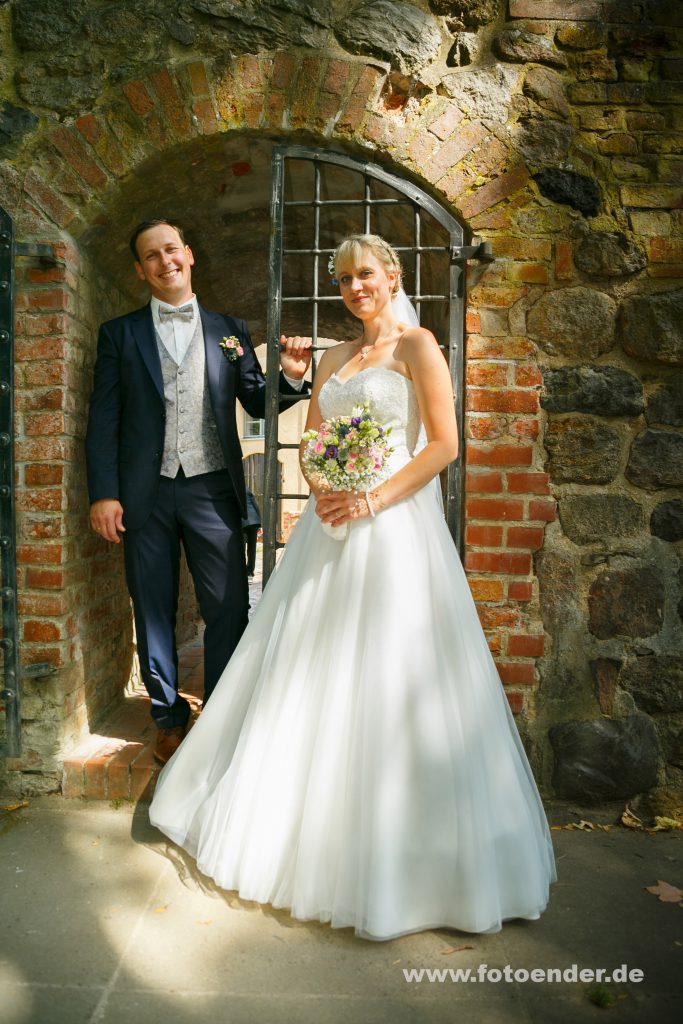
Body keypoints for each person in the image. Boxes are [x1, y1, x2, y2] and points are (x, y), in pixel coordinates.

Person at [149, 233, 556, 940]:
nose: (353, 287)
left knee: (393, 679)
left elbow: (442, 445)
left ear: (390, 275)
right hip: (328, 529)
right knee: (309, 674)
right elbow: (311, 440)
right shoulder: (335, 358)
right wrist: (323, 486)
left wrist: (369, 499)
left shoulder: (418, 347)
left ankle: (410, 862)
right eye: (341, 278)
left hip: (396, 533)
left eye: (364, 274)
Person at [85, 219, 311, 766]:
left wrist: (293, 376)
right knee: (154, 607)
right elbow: (104, 418)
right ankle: (167, 718)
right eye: (151, 256)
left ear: (189, 255)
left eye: (171, 250)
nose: (165, 262)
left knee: (229, 606)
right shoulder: (120, 333)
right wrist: (104, 493)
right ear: (141, 270)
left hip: (213, 488)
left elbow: (258, 403)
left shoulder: (229, 330)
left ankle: (224, 711)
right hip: (145, 492)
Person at [241, 487, 261, 577]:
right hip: (254, 522)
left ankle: (242, 569)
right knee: (252, 548)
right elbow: (255, 505)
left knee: (242, 547)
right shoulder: (247, 489)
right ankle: (250, 571)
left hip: (243, 522)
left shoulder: (233, 491)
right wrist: (260, 523)